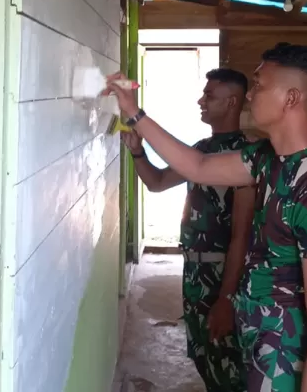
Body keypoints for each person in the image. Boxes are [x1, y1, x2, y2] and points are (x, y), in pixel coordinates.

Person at [105, 43, 307, 392]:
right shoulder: (268, 159)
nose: (250, 95)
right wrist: (134, 114)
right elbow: (198, 166)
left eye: (260, 85)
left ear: (291, 98)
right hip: (256, 346)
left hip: (284, 364)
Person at [123, 68, 255, 391]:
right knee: (204, 356)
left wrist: (226, 298)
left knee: (227, 363)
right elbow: (156, 182)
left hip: (223, 274)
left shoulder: (246, 156)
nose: (201, 100)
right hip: (195, 272)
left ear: (232, 102)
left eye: (210, 95)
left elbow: (242, 235)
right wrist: (137, 151)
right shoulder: (203, 149)